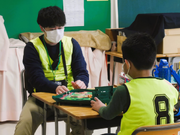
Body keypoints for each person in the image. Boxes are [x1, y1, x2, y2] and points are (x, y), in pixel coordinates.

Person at [14, 6, 91, 135]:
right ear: (42, 28)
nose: (57, 32)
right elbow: (35, 78)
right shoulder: (32, 47)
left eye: (60, 28)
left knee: (87, 126)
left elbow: (82, 71)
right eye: (52, 29)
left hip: (70, 98)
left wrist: (82, 81)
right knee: (23, 126)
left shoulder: (72, 43)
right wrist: (54, 88)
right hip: (40, 99)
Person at [91, 33, 179, 135]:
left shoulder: (124, 90)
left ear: (128, 64)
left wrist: (100, 107)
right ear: (154, 63)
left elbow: (108, 114)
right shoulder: (168, 86)